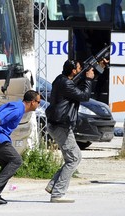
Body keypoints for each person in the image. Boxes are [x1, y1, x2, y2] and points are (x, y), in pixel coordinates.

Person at [0, 90, 41, 205]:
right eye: (38, 102)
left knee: (7, 164)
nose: (39, 104)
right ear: (32, 102)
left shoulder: (18, 108)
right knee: (16, 161)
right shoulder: (17, 109)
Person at [45, 60, 94, 203]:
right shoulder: (66, 83)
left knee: (74, 157)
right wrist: (89, 79)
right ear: (73, 71)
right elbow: (84, 96)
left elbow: (77, 90)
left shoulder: (61, 80)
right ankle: (58, 194)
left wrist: (90, 75)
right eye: (79, 68)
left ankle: (53, 185)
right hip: (61, 125)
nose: (80, 70)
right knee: (73, 158)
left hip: (59, 124)